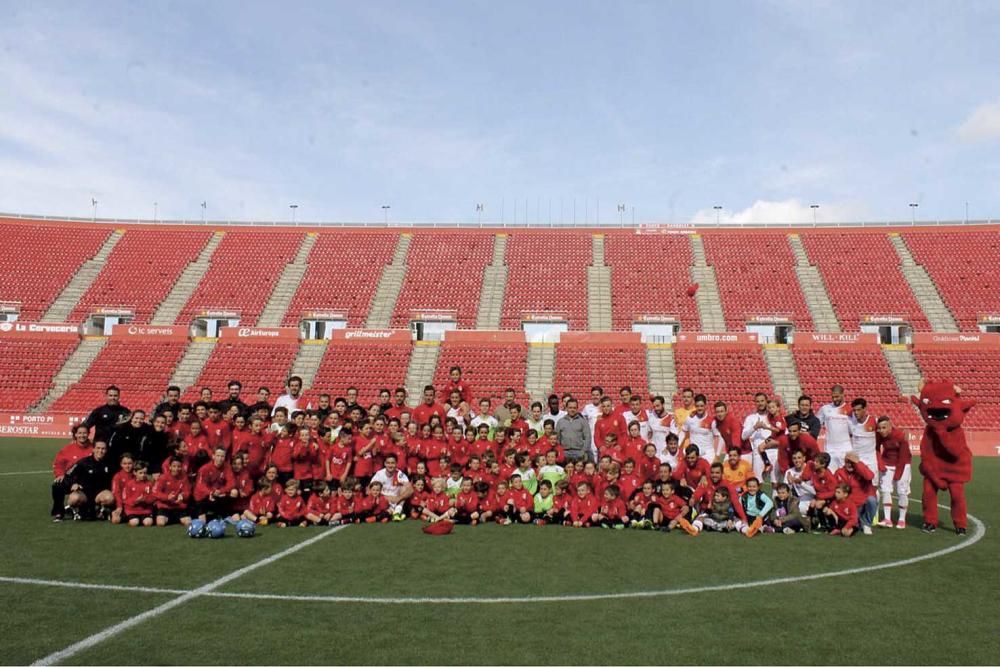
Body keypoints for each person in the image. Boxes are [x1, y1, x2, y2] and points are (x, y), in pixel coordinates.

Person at [875, 415, 912, 529]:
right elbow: (876, 449)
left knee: (902, 491)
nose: (881, 430)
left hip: (903, 464)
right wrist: (880, 463)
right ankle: (887, 519)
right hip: (887, 462)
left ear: (890, 426)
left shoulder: (900, 436)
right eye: (880, 428)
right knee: (885, 490)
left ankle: (901, 519)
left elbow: (904, 456)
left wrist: (898, 474)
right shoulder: (879, 435)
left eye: (884, 427)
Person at [63, 440, 115, 521]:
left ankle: (101, 509)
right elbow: (68, 475)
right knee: (74, 498)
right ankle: (72, 509)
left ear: (106, 450)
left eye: (103, 449)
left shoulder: (110, 463)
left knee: (109, 498)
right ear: (93, 449)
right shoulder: (83, 462)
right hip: (84, 493)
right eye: (98, 448)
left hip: (100, 493)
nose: (100, 451)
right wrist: (73, 484)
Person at [51, 425, 94, 521]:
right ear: (75, 434)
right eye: (80, 433)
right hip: (71, 479)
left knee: (88, 515)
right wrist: (60, 474)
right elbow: (58, 464)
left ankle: (86, 508)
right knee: (57, 485)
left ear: (88, 434)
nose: (82, 435)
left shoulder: (93, 449)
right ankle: (58, 512)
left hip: (87, 481)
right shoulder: (67, 449)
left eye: (84, 433)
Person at [835, 451, 878, 535]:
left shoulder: (862, 470)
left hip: (862, 504)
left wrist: (858, 464)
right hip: (849, 506)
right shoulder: (840, 472)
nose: (850, 465)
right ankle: (858, 523)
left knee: (872, 500)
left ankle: (867, 524)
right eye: (848, 462)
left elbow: (869, 476)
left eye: (852, 463)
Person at [818, 385, 852, 471]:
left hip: (845, 449)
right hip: (830, 448)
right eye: (832, 397)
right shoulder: (825, 409)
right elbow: (816, 423)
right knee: (831, 475)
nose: (834, 399)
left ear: (842, 395)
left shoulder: (850, 410)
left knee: (845, 476)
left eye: (837, 397)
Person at [370, 454, 413, 519]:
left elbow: (411, 490)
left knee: (405, 488)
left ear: (396, 464)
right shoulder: (379, 474)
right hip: (383, 499)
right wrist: (386, 497)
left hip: (397, 501)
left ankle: (397, 512)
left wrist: (398, 498)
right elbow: (369, 490)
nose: (390, 465)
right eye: (388, 463)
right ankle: (396, 513)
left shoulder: (399, 474)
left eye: (392, 463)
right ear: (384, 464)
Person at [153, 457, 191, 527]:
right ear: (170, 467)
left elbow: (187, 492)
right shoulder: (163, 477)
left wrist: (183, 496)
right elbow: (156, 492)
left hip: (179, 507)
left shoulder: (184, 478)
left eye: (178, 466)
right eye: (174, 466)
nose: (176, 469)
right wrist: (167, 497)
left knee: (188, 523)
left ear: (181, 467)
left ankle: (174, 519)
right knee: (160, 523)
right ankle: (171, 518)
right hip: (165, 506)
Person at [681, 394, 719, 463]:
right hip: (693, 453)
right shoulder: (690, 418)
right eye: (697, 406)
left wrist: (716, 454)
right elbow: (683, 431)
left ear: (705, 406)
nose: (699, 408)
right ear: (695, 406)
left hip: (707, 453)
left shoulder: (712, 420)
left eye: (701, 406)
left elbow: (717, 437)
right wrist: (678, 446)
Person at [848, 398, 879, 476]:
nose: (856, 413)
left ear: (865, 408)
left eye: (858, 410)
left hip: (871, 461)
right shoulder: (850, 423)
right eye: (854, 410)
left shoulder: (874, 421)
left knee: (873, 486)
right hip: (857, 461)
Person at [555, 398, 592, 464]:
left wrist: (583, 451)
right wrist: (560, 451)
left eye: (574, 408)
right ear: (566, 408)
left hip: (579, 452)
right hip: (565, 452)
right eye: (570, 407)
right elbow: (557, 438)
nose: (572, 410)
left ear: (577, 408)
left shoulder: (583, 421)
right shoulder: (561, 422)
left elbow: (587, 437)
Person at [121, 461, 155, 527]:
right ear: (134, 473)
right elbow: (125, 500)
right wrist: (136, 501)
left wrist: (145, 500)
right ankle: (129, 518)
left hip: (146, 510)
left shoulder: (149, 484)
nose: (143, 475)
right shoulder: (129, 484)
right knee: (134, 523)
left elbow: (153, 497)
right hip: (132, 510)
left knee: (148, 523)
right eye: (140, 473)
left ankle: (142, 519)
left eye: (145, 473)